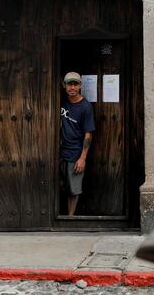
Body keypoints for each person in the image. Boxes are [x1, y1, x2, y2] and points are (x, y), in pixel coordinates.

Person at [60, 71, 95, 215]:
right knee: (60, 186)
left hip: (75, 153)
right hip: (59, 152)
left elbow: (88, 134)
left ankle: (70, 218)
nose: (72, 87)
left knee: (73, 190)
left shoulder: (85, 107)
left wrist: (82, 158)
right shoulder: (60, 101)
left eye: (75, 84)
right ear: (64, 85)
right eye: (69, 84)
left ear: (80, 85)